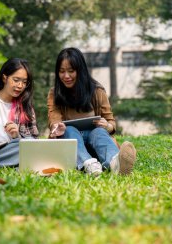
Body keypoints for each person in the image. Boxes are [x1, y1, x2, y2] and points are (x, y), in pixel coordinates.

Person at [47, 47, 136, 176]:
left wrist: (107, 125)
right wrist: (57, 127)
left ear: (80, 70)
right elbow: (54, 118)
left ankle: (115, 162)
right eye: (61, 71)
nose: (66, 76)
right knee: (69, 129)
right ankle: (89, 164)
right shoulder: (54, 93)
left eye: (71, 71)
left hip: (95, 143)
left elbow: (111, 122)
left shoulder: (97, 91)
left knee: (99, 132)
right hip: (72, 144)